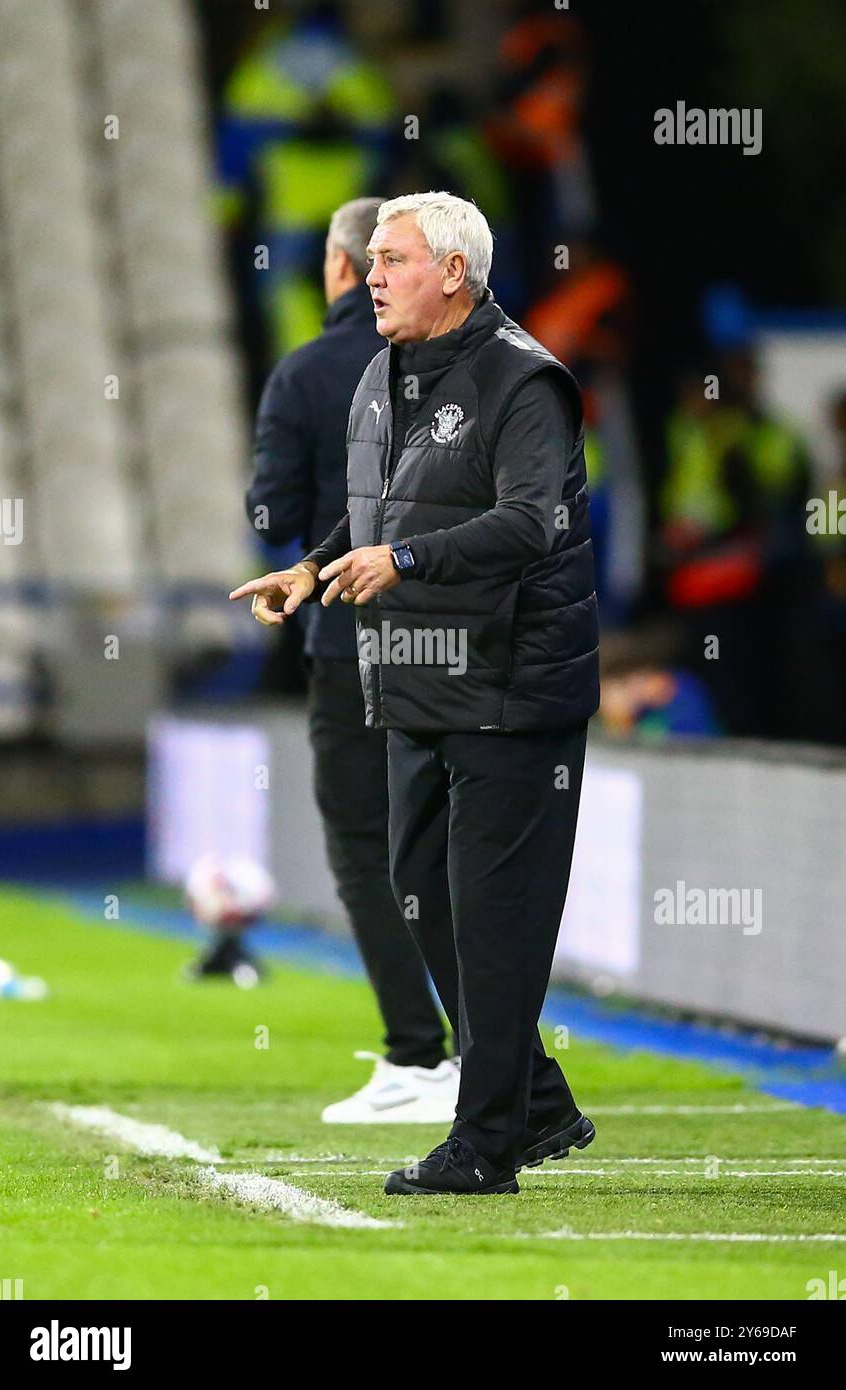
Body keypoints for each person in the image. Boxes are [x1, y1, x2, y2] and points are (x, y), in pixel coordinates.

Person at [231, 191, 598, 1195]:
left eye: (391, 259)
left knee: (490, 917)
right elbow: (373, 513)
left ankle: (483, 1146)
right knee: (418, 892)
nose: (368, 275)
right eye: (374, 258)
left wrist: (404, 557)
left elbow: (532, 523)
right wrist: (313, 569)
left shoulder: (524, 381)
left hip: (512, 688)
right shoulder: (379, 375)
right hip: (416, 684)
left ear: (452, 272)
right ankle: (533, 1100)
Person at [244, 197, 458, 1124]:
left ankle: (419, 1056)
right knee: (451, 848)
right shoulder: (462, 366)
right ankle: (496, 1060)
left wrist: (300, 561)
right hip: (455, 638)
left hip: (347, 640)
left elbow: (271, 511)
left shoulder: (307, 372)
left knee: (366, 851)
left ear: (340, 266)